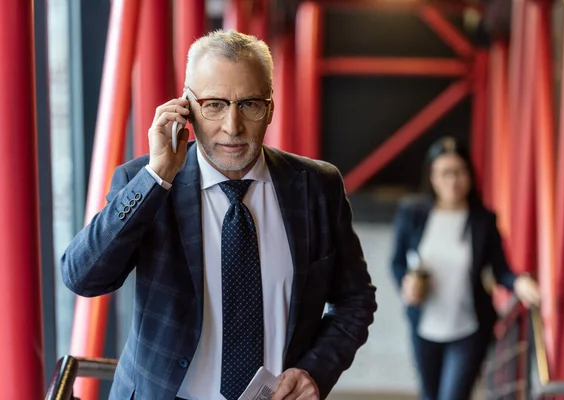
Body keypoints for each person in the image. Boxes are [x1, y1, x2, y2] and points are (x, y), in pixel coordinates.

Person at [61, 29, 377, 400]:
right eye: (214, 104)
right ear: (187, 107)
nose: (232, 127)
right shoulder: (146, 182)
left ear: (271, 107)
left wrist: (314, 372)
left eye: (249, 104)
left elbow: (356, 300)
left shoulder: (317, 186)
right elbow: (82, 277)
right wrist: (158, 177)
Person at [390, 137, 540, 400]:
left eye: (459, 171)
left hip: (469, 328)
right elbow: (397, 261)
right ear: (432, 177)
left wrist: (520, 281)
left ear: (469, 175)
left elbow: (500, 270)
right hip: (424, 325)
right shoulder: (412, 213)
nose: (452, 180)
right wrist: (406, 283)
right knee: (429, 395)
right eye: (444, 173)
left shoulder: (483, 220)